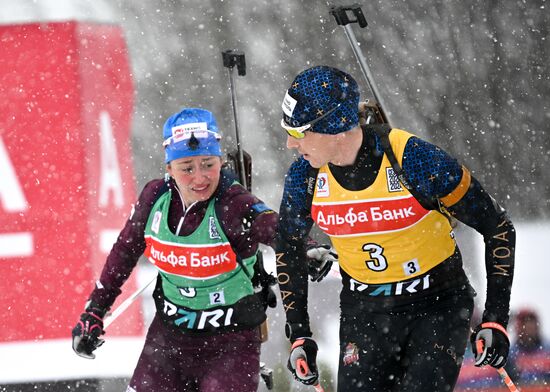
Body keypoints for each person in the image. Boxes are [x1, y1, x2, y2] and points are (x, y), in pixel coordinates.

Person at [275, 65, 516, 391]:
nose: (291, 144)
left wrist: (495, 319)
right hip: (364, 311)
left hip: (436, 306)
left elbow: (497, 226)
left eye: (300, 132)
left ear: (335, 128)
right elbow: (288, 247)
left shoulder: (413, 160)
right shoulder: (304, 177)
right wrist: (300, 334)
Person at [71, 108, 280, 392]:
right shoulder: (155, 197)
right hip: (170, 340)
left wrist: (309, 250)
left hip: (231, 343)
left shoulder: (233, 201)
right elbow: (124, 252)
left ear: (220, 160)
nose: (199, 178)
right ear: (169, 168)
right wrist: (95, 311)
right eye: (187, 168)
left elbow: (276, 229)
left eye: (208, 164)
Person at [509, 308, 550, 388]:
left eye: (532, 324)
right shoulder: (510, 354)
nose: (529, 328)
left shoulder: (547, 350)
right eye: (525, 325)